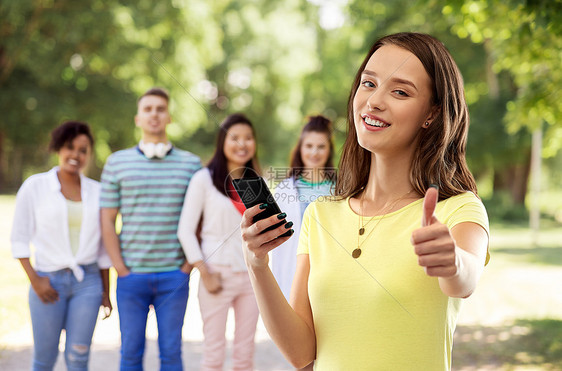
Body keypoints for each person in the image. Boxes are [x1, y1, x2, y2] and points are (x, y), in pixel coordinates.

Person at [240, 32, 490, 370]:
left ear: (431, 113)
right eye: (368, 83)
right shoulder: (321, 215)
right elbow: (301, 354)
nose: (373, 101)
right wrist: (258, 265)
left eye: (400, 91)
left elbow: (466, 278)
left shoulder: (457, 209)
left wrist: (453, 262)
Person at [100, 87, 201, 371]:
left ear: (169, 116)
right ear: (138, 118)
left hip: (174, 276)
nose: (154, 114)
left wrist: (186, 266)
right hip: (132, 275)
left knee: (171, 353)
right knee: (130, 353)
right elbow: (107, 220)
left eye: (160, 109)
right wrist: (120, 269)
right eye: (148, 109)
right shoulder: (117, 163)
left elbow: (199, 220)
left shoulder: (191, 164)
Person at [11, 121, 112, 371]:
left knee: (78, 358)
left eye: (83, 150)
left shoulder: (98, 192)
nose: (75, 155)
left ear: (89, 155)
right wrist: (35, 280)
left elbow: (102, 248)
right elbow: (19, 237)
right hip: (48, 280)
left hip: (87, 283)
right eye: (70, 147)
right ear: (58, 148)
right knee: (44, 360)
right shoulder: (35, 186)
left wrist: (106, 292)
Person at [177, 113, 265, 371]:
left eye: (248, 138)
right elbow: (185, 230)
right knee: (214, 356)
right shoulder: (203, 179)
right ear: (222, 142)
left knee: (245, 355)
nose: (242, 144)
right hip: (216, 274)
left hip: (250, 279)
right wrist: (205, 273)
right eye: (234, 138)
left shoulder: (255, 182)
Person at [271, 115, 336, 301]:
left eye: (321, 146)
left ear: (329, 150)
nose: (314, 152)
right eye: (309, 146)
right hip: (292, 271)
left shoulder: (340, 190)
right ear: (300, 149)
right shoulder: (285, 188)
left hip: (327, 273)